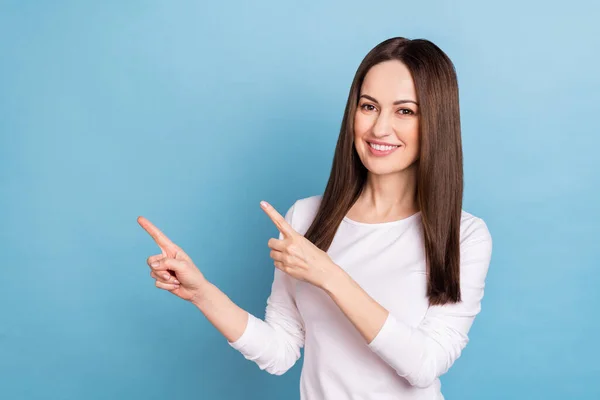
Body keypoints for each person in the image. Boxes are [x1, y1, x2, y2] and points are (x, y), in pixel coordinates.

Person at [137, 37, 493, 400]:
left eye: (405, 111)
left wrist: (330, 276)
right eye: (368, 106)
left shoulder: (464, 235)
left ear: (436, 120)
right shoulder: (306, 217)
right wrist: (202, 293)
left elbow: (425, 364)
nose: (379, 128)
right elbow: (280, 351)